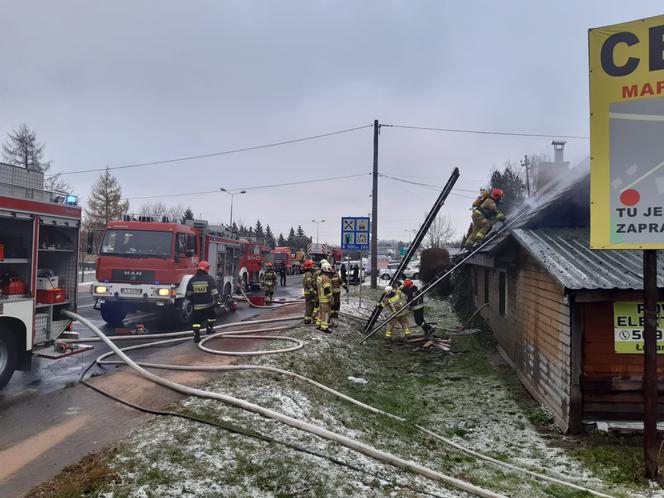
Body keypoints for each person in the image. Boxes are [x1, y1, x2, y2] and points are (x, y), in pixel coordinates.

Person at [185, 260, 219, 343]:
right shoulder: (209, 279)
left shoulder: (192, 279)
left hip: (197, 306)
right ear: (206, 269)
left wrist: (191, 301)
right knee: (212, 316)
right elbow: (214, 292)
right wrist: (216, 301)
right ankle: (209, 329)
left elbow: (189, 294)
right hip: (208, 305)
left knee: (196, 322)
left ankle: (196, 336)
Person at [316, 260, 334, 332]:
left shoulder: (319, 277)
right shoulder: (325, 278)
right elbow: (327, 289)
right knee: (326, 313)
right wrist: (331, 299)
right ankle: (324, 327)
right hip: (325, 299)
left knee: (321, 312)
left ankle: (318, 324)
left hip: (321, 298)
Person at [302, 259, 316, 324]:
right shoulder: (308, 274)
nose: (313, 267)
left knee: (309, 306)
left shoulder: (307, 274)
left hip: (307, 293)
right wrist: (313, 291)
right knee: (310, 306)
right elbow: (308, 284)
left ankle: (308, 319)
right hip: (309, 294)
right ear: (309, 267)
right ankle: (307, 320)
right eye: (312, 266)